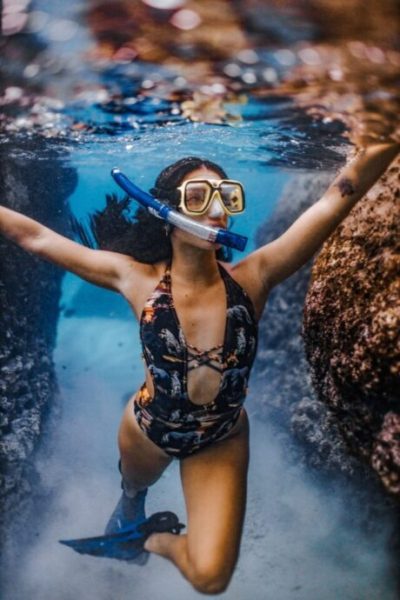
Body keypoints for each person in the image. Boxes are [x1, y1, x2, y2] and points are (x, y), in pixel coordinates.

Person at [0, 143, 398, 594]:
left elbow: (336, 199)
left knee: (211, 578)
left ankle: (147, 539)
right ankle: (132, 505)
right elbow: (35, 237)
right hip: (150, 429)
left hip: (222, 437)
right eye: (198, 198)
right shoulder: (136, 278)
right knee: (132, 489)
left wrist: (387, 137)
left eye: (227, 197)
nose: (217, 211)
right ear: (167, 212)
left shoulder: (256, 275)